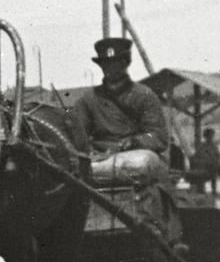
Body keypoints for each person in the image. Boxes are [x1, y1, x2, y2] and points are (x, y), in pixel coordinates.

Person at [71, 36, 170, 181]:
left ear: (125, 63)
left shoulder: (144, 95)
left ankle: (94, 170)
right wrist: (89, 150)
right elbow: (78, 134)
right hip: (100, 156)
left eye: (116, 63)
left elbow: (158, 136)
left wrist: (135, 141)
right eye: (106, 64)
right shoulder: (88, 99)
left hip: (134, 155)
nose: (110, 68)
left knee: (141, 162)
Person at [191, 127, 220, 197]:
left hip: (215, 165)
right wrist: (206, 161)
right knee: (213, 174)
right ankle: (214, 192)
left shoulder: (213, 145)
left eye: (212, 135)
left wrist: (219, 156)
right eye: (210, 135)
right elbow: (197, 157)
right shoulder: (202, 146)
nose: (211, 137)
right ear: (206, 136)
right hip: (207, 166)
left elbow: (217, 155)